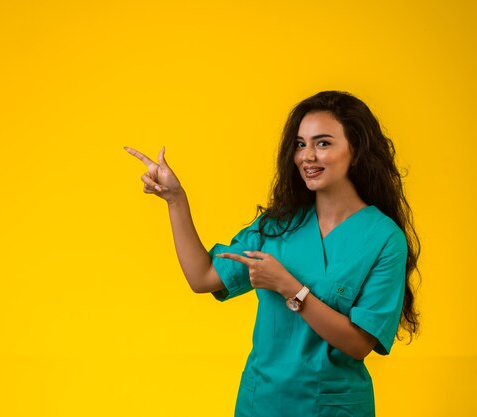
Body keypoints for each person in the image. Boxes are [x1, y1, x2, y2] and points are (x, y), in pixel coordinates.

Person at [124, 90, 420, 417]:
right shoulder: (279, 225)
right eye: (300, 144)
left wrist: (290, 288)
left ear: (357, 151)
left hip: (334, 407)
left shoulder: (383, 238)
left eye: (323, 143)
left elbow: (359, 344)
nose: (307, 155)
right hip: (261, 403)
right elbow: (203, 277)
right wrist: (176, 200)